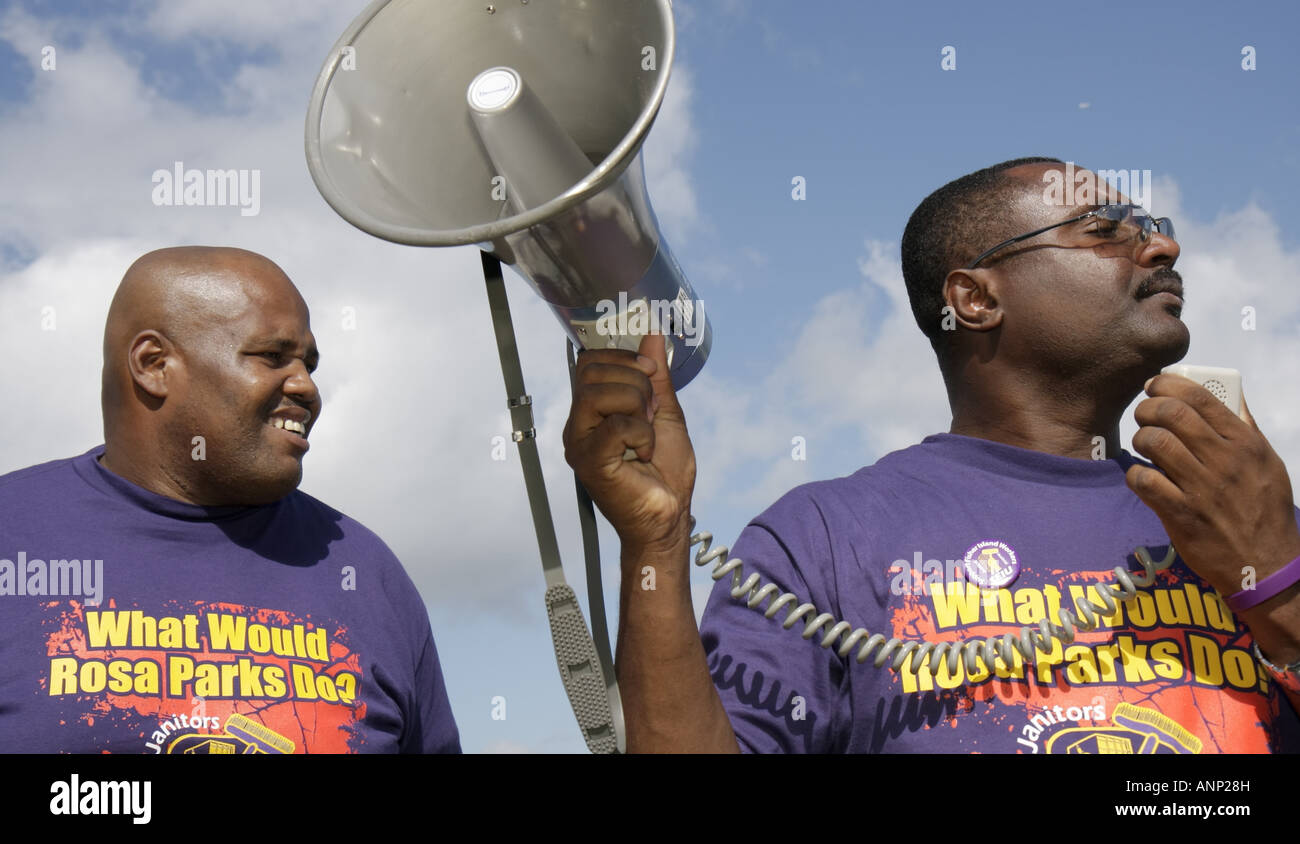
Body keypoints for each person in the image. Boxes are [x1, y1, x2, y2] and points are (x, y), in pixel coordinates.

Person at [563, 158, 1300, 753]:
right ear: (974, 298)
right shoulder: (823, 538)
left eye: (1154, 228)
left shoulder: (1247, 518)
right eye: (1102, 229)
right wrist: (654, 544)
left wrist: (1276, 577)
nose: (1163, 247)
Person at [0, 246, 460, 754]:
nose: (307, 387)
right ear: (154, 364)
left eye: (309, 363)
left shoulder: (365, 571)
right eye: (272, 357)